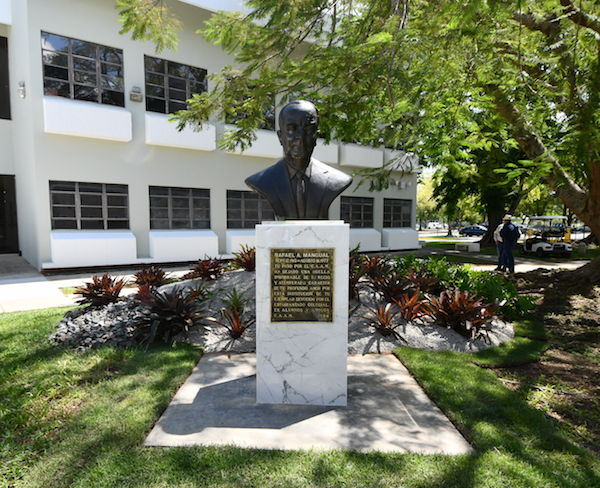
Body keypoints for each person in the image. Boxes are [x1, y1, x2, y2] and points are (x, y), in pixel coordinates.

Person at [245, 100, 353, 220]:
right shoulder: (261, 181)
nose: (300, 137)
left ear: (316, 137)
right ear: (280, 137)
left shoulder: (336, 180)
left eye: (308, 130)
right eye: (292, 130)